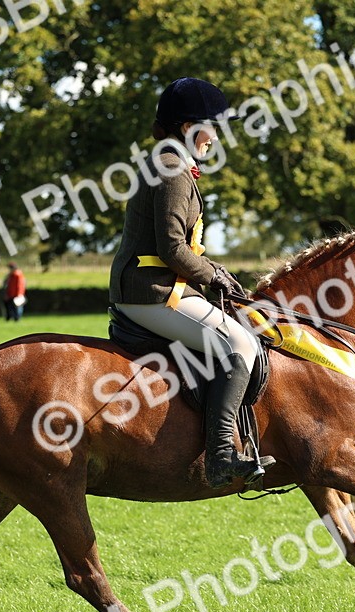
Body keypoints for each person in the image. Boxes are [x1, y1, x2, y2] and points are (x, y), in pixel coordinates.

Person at [109, 77, 272, 489]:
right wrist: (215, 275)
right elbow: (172, 249)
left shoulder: (168, 162)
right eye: (211, 127)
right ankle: (220, 456)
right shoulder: (171, 168)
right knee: (241, 343)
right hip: (153, 292)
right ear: (187, 126)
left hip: (156, 287)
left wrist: (217, 275)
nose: (215, 138)